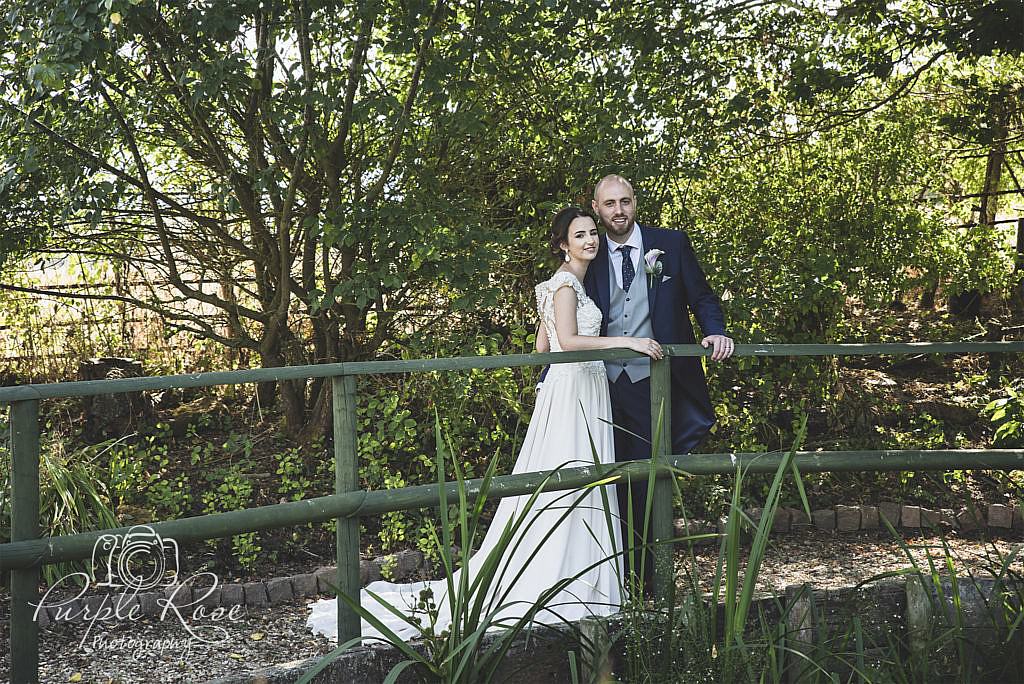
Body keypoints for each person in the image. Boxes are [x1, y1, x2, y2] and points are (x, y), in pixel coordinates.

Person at [307, 206, 663, 642]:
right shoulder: (567, 286)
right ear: (563, 243)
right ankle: (572, 584)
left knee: (571, 480)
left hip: (574, 387)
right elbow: (567, 342)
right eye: (581, 235)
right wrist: (628, 340)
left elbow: (541, 347)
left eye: (592, 233)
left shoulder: (562, 285)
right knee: (573, 479)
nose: (590, 240)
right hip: (576, 391)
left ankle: (579, 578)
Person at [584, 173, 732, 591]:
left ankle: (650, 579)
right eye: (609, 204)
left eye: (625, 201)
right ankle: (612, 577)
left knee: (651, 479)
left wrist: (715, 331)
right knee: (607, 478)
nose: (618, 211)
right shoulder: (588, 252)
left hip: (656, 381)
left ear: (635, 203)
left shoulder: (671, 244)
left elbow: (702, 297)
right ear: (596, 209)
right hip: (603, 383)